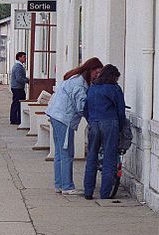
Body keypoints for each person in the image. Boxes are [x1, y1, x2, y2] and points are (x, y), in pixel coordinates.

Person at [45, 57, 104, 195]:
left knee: (59, 152)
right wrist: (93, 118)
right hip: (64, 118)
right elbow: (81, 106)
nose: (97, 76)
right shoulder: (80, 85)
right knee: (67, 153)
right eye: (96, 72)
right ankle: (67, 186)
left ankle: (59, 184)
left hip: (55, 114)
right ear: (89, 70)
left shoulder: (74, 78)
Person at [83, 65, 126, 199]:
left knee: (91, 157)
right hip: (110, 123)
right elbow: (120, 111)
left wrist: (91, 121)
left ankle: (88, 192)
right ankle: (105, 193)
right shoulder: (114, 89)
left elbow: (85, 109)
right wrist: (120, 127)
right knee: (109, 158)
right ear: (113, 76)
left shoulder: (92, 88)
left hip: (94, 122)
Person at [10, 52, 29, 124]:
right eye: (24, 57)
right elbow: (19, 78)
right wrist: (27, 80)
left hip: (17, 87)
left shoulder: (19, 66)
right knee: (17, 103)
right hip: (17, 88)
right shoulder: (18, 67)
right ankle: (14, 119)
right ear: (19, 57)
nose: (25, 58)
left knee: (17, 103)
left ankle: (16, 118)